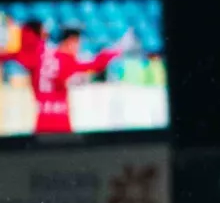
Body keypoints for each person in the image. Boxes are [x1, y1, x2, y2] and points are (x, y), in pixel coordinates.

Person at [0, 22, 134, 134]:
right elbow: (96, 64)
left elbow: (16, 54)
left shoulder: (39, 56)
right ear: (71, 42)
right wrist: (118, 50)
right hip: (61, 124)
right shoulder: (66, 61)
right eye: (78, 43)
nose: (78, 48)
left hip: (41, 123)